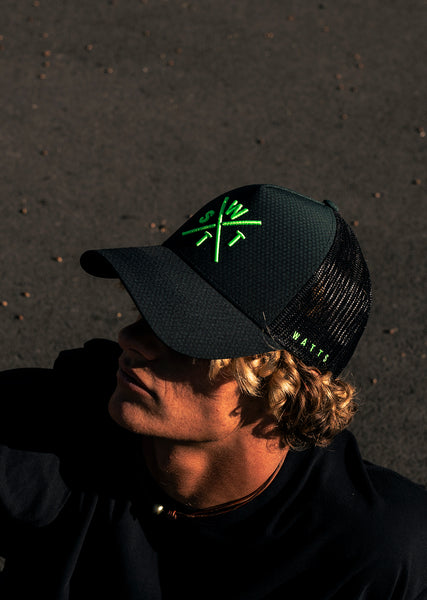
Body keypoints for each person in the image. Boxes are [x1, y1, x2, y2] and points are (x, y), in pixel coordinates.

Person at [0, 184, 426, 599]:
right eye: (149, 310)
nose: (130, 338)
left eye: (186, 332)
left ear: (281, 385)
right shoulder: (51, 430)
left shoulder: (374, 553)